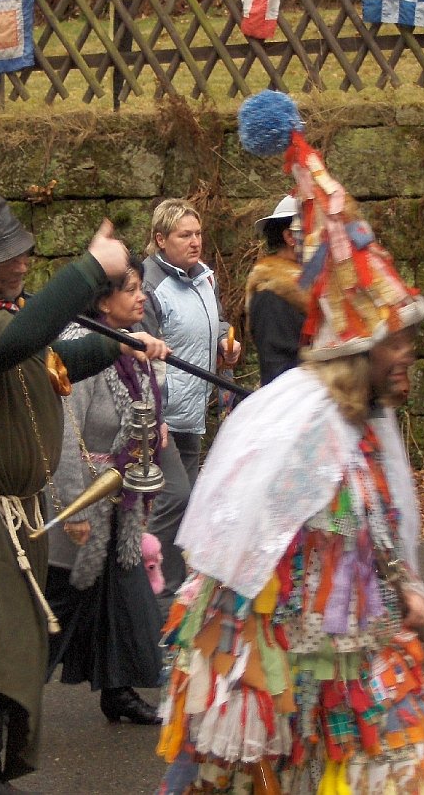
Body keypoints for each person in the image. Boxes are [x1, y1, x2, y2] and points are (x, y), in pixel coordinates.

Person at [157, 92, 424, 794]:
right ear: (358, 350)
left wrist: (400, 587)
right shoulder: (305, 431)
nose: (408, 350)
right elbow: (255, 546)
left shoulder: (365, 422)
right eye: (395, 339)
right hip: (290, 657)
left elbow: (370, 522)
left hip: (355, 650)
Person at [0, 192, 168, 793]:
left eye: (24, 250)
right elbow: (22, 339)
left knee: (16, 649)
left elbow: (53, 357)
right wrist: (89, 271)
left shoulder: (0, 311)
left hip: (14, 515)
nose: (23, 261)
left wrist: (120, 341)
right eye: (6, 255)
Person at [45, 255, 168, 727]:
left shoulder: (125, 348)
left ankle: (117, 691)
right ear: (102, 300)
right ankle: (4, 697)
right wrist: (74, 507)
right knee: (59, 602)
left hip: (120, 503)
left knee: (118, 597)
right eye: (131, 289)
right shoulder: (81, 352)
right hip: (83, 503)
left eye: (141, 288)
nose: (141, 296)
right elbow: (66, 433)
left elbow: (142, 412)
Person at [140, 199, 241, 602]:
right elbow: (140, 352)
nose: (195, 241)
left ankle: (171, 584)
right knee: (176, 496)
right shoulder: (148, 286)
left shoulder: (204, 278)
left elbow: (218, 324)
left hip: (192, 411)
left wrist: (226, 344)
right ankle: (140, 572)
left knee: (189, 499)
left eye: (198, 233)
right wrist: (152, 410)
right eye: (185, 235)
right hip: (161, 414)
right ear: (161, 239)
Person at [246, 195, 306, 385]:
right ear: (290, 237)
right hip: (294, 404)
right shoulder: (270, 293)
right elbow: (277, 369)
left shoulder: (310, 283)